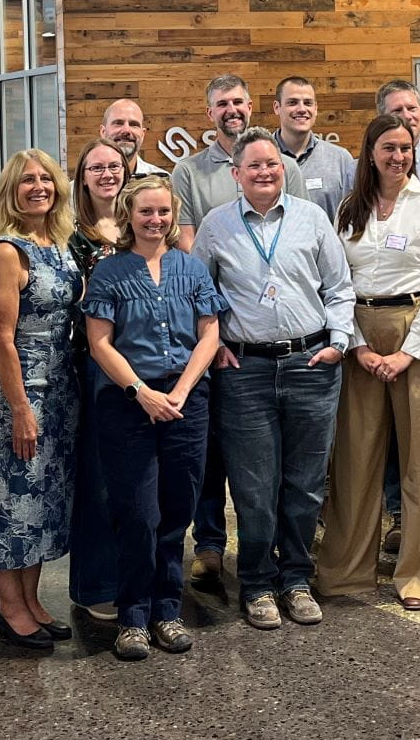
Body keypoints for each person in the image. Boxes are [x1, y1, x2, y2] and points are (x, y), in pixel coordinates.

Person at [193, 129, 355, 629]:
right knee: (254, 485)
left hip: (311, 365)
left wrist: (339, 341)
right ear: (235, 173)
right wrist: (214, 343)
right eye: (254, 166)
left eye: (273, 165)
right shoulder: (216, 226)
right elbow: (200, 295)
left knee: (305, 484)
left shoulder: (311, 219)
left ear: (284, 170)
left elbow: (339, 286)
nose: (265, 172)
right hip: (246, 372)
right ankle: (259, 583)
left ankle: (297, 578)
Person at [317, 113, 420, 610]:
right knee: (355, 458)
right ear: (370, 153)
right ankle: (346, 572)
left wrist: (407, 352)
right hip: (359, 331)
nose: (397, 156)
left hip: (417, 328)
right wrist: (356, 344)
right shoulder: (348, 208)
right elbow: (336, 284)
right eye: (388, 148)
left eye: (405, 148)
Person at [82, 177, 227, 659]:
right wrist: (142, 392)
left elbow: (210, 334)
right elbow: (99, 341)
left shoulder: (191, 268)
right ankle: (133, 617)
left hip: (186, 403)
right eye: (145, 212)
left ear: (173, 214)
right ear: (129, 216)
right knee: (138, 514)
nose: (155, 220)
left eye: (163, 212)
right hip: (128, 405)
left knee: (176, 511)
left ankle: (168, 610)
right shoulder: (109, 272)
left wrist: (182, 390)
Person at [0, 149, 84, 650]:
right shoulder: (7, 251)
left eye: (45, 178)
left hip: (60, 386)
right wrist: (19, 407)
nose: (38, 187)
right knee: (9, 499)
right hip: (16, 390)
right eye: (26, 181)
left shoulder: (59, 244)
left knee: (41, 499)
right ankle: (9, 607)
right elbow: (0, 337)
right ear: (10, 192)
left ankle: (32, 599)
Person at [172, 72, 256, 589]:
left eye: (239, 101)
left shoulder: (277, 162)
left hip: (258, 328)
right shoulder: (189, 171)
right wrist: (214, 327)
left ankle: (258, 541)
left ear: (252, 106)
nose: (232, 109)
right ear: (210, 114)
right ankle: (208, 543)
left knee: (251, 444)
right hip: (206, 325)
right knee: (206, 444)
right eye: (222, 103)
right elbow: (187, 247)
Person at [67, 139, 130, 620]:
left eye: (114, 165)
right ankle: (97, 584)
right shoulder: (72, 235)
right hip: (93, 362)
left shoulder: (143, 224)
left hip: (147, 363)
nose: (107, 173)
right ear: (83, 176)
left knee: (141, 480)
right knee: (99, 478)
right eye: (96, 167)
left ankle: (139, 576)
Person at [272, 75, 356, 219]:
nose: (301, 109)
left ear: (316, 108)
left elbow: (353, 216)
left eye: (308, 103)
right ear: (277, 107)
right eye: (292, 102)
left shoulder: (341, 159)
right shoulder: (260, 159)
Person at [101, 98, 167, 175]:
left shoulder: (163, 181)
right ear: (103, 132)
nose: (126, 130)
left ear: (143, 134)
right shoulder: (86, 179)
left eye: (134, 125)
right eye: (118, 123)